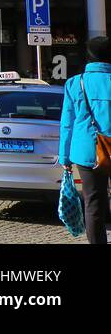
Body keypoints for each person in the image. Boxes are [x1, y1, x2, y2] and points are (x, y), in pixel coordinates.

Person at [59, 35, 111, 244]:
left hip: (87, 151)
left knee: (93, 204)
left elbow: (67, 123)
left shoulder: (74, 83)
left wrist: (65, 158)